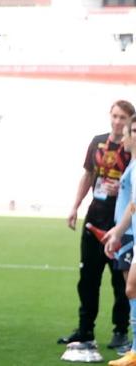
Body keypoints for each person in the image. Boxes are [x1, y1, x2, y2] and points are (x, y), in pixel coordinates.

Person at [61, 100, 136, 350]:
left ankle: (120, 331)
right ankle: (85, 330)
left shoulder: (131, 147)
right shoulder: (97, 141)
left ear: (130, 122)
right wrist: (75, 205)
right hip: (95, 217)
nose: (117, 122)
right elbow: (89, 174)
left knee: (120, 281)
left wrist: (121, 188)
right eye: (114, 116)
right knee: (88, 278)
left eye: (122, 118)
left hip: (120, 223)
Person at [102, 117, 136, 366]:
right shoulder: (132, 166)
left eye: (127, 132)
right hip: (131, 233)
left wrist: (118, 231)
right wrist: (117, 230)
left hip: (131, 235)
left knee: (131, 288)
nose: (123, 139)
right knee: (131, 289)